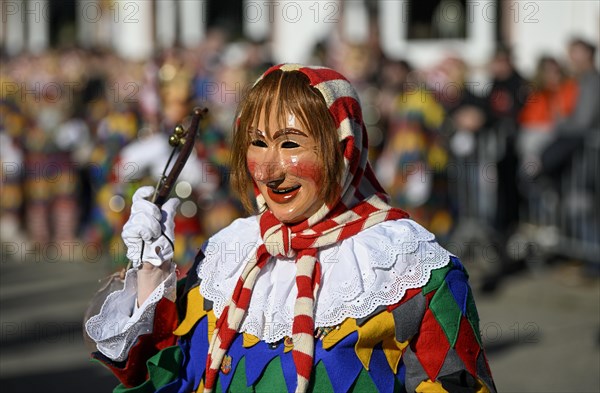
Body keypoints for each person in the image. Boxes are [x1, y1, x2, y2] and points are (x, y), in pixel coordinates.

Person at [86, 64, 496, 393]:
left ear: (343, 149)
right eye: (258, 143)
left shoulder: (413, 268)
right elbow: (166, 378)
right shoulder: (226, 253)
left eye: (291, 143)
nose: (268, 170)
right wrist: (151, 275)